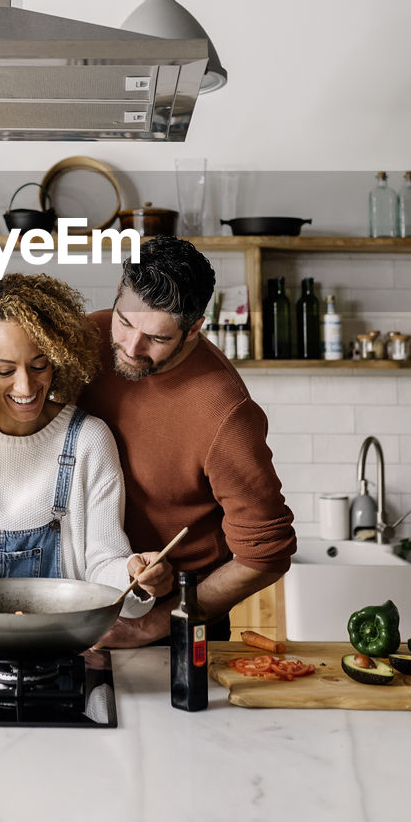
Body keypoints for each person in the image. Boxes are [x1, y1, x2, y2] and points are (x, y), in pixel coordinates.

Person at [0, 272, 174, 613]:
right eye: (4, 371)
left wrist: (137, 579)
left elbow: (105, 571)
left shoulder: (89, 440)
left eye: (38, 365)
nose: (26, 388)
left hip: (60, 652)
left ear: (57, 358)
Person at [80, 235, 296, 647]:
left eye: (157, 339)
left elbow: (265, 557)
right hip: (81, 608)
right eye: (125, 321)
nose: (130, 347)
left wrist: (150, 626)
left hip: (174, 630)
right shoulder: (88, 338)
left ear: (194, 327)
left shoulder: (225, 413)